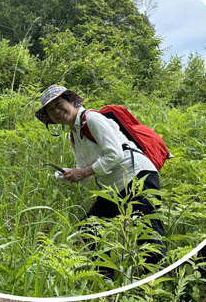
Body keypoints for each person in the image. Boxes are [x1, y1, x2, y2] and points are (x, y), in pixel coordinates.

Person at [34, 84, 166, 268]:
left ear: (71, 101)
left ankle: (157, 280)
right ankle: (107, 275)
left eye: (58, 104)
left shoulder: (92, 119)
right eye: (50, 109)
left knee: (149, 232)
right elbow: (87, 171)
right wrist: (70, 174)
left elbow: (115, 154)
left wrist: (83, 172)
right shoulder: (74, 134)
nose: (56, 111)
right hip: (115, 187)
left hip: (138, 176)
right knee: (89, 229)